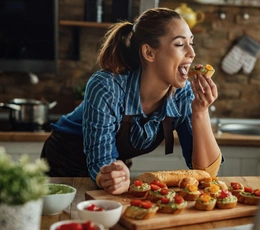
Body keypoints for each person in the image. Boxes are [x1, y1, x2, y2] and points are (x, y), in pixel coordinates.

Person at [41, 7, 223, 195]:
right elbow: (100, 160)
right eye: (179, 44)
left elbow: (206, 174)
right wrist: (112, 176)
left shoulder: (183, 95)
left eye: (191, 43)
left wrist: (201, 112)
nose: (192, 53)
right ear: (149, 53)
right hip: (62, 168)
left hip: (111, 170)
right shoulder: (107, 86)